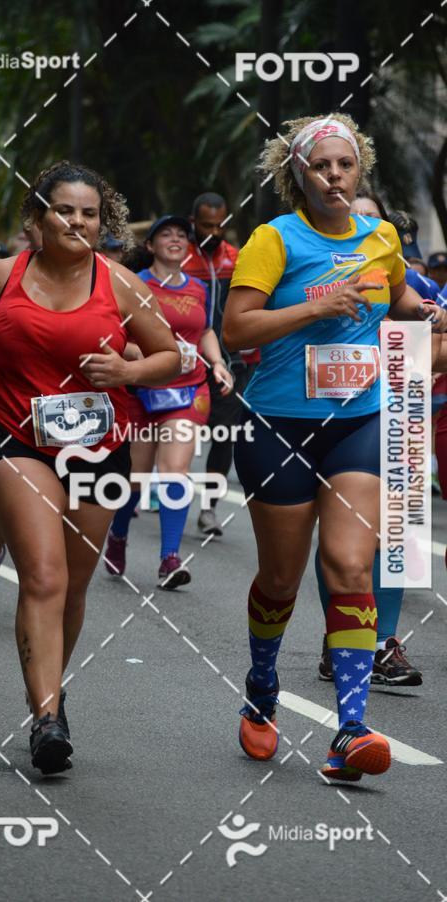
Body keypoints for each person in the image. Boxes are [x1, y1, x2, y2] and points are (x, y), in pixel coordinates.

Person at [222, 114, 446, 782]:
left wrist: (425, 313)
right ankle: (263, 686)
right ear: (300, 176)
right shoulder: (274, 239)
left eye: (345, 165)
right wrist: (317, 308)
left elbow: (397, 298)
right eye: (321, 166)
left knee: (350, 567)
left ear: (359, 170)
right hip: (278, 426)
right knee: (281, 579)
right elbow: (237, 329)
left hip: (359, 421)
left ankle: (350, 728)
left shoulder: (381, 238)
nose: (334, 176)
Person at [0, 161, 180, 775]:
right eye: (64, 210)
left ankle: (50, 693)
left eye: (89, 213)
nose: (77, 222)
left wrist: (128, 371)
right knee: (44, 577)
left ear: (102, 223)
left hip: (98, 445)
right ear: (38, 217)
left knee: (74, 586)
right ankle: (46, 718)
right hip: (14, 434)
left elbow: (172, 357)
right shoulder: (0, 275)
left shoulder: (121, 284)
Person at [314, 193, 423, 687]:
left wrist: (413, 342)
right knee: (343, 537)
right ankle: (338, 637)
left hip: (401, 410)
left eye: (370, 217)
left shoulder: (411, 286)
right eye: (353, 216)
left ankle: (383, 643)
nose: (359, 224)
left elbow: (437, 351)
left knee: (395, 534)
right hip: (334, 416)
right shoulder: (316, 274)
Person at [102, 214, 233, 588]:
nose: (175, 239)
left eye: (181, 235)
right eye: (166, 234)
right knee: (136, 480)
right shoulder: (133, 284)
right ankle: (118, 534)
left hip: (188, 392)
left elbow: (205, 330)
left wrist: (217, 363)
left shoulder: (198, 287)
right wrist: (141, 358)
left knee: (175, 471)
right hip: (142, 390)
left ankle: (170, 559)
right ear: (150, 245)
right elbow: (115, 334)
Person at [183, 192, 253, 538]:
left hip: (230, 362)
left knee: (225, 435)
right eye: (206, 225)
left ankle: (208, 508)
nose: (214, 232)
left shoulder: (236, 260)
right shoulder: (179, 258)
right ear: (192, 222)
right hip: (183, 363)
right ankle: (166, 493)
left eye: (220, 225)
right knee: (180, 433)